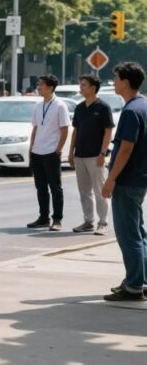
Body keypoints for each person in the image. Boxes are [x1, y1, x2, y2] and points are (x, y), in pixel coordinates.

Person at [102, 62, 147, 302]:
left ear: (126, 82)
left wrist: (111, 179)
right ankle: (141, 279)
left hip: (127, 180)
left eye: (116, 78)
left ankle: (133, 285)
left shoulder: (131, 111)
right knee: (138, 233)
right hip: (139, 178)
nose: (114, 82)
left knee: (129, 235)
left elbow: (126, 148)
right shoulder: (144, 105)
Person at [68, 74, 113, 235]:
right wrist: (71, 151)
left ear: (93, 87)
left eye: (83, 85)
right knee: (84, 191)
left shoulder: (103, 107)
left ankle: (103, 222)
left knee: (100, 190)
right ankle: (88, 221)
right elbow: (76, 131)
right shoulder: (80, 107)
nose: (80, 88)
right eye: (80, 85)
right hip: (80, 155)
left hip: (96, 156)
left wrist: (103, 152)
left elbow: (108, 131)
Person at [26, 75, 69, 231]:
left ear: (50, 87)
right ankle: (43, 217)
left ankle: (57, 219)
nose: (39, 87)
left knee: (55, 187)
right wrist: (31, 148)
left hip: (51, 152)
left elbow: (64, 129)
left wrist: (58, 149)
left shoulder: (60, 105)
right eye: (39, 84)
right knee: (40, 187)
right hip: (37, 151)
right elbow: (36, 128)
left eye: (41, 85)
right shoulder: (38, 106)